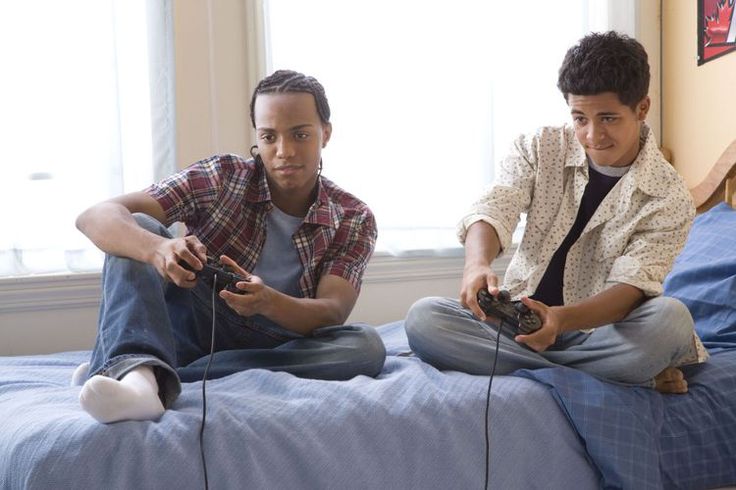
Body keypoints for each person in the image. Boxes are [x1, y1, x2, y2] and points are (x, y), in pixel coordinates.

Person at [73, 69, 385, 423]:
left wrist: (268, 301)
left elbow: (331, 311)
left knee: (365, 347)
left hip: (279, 339)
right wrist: (158, 249)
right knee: (139, 227)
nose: (284, 151)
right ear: (257, 137)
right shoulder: (221, 176)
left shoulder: (353, 216)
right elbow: (95, 216)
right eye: (269, 137)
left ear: (325, 134)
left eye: (300, 134)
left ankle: (141, 368)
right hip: (200, 318)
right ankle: (135, 377)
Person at [404, 31, 708, 394]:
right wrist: (477, 265)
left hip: (597, 333)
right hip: (516, 322)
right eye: (580, 118)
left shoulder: (670, 196)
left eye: (608, 118)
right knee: (424, 318)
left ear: (642, 108)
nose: (593, 135)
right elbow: (496, 205)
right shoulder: (540, 146)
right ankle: (611, 375)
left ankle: (551, 367)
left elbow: (631, 289)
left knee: (671, 321)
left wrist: (559, 320)